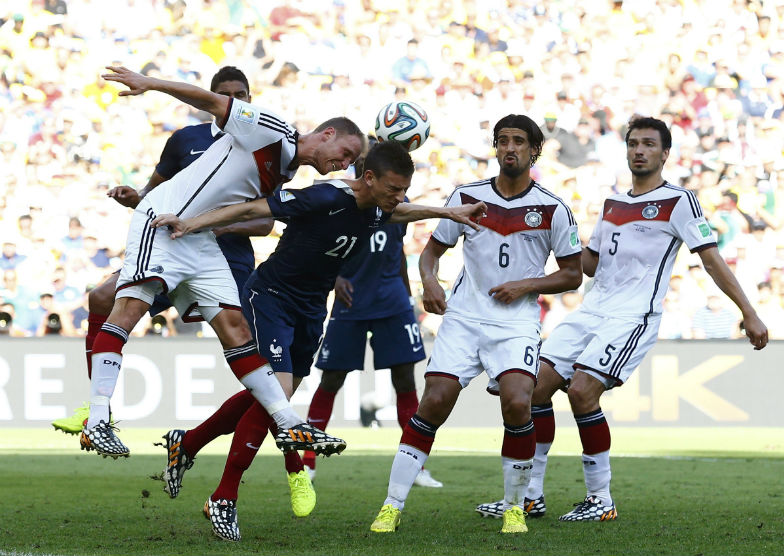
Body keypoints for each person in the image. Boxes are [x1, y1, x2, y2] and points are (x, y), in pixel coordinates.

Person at [151, 141, 487, 541]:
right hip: (271, 297)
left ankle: (187, 444)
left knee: (269, 396)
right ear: (368, 178)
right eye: (393, 189)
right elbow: (253, 209)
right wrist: (191, 223)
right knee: (277, 391)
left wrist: (447, 212)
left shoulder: (380, 205)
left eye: (402, 190)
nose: (399, 198)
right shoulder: (323, 195)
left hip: (311, 309)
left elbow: (401, 212)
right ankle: (223, 497)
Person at [474, 116, 768, 523]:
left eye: (649, 144)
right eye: (633, 144)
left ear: (665, 154)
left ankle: (601, 500)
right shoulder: (613, 203)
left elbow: (711, 259)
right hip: (591, 311)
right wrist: (567, 235)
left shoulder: (678, 201)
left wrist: (748, 312)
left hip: (633, 316)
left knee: (581, 392)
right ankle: (529, 496)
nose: (639, 150)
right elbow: (591, 265)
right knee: (533, 391)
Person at [79, 66, 364, 461]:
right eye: (345, 153)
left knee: (235, 327)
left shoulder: (286, 167)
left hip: (198, 236)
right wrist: (151, 83)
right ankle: (96, 421)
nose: (343, 163)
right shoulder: (271, 128)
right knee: (128, 310)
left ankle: (287, 421)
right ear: (327, 134)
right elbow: (212, 101)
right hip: (163, 219)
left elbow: (259, 216)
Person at [369, 114, 583, 536]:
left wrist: (527, 284)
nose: (510, 148)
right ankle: (392, 505)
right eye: (502, 140)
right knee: (434, 402)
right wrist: (428, 281)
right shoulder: (468, 196)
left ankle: (514, 508)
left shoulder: (553, 208)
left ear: (534, 150)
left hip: (516, 321)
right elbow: (431, 252)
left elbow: (573, 274)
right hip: (465, 317)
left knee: (519, 402)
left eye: (519, 141)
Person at [51, 66, 272, 434]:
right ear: (211, 100)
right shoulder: (185, 140)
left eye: (242, 94)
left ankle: (293, 461)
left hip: (225, 262)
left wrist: (213, 223)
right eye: (226, 94)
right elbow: (152, 194)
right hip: (169, 250)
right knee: (102, 297)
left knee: (259, 359)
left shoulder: (257, 147)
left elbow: (265, 223)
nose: (234, 101)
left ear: (251, 98)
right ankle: (96, 410)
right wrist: (134, 198)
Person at [301, 183, 441, 488]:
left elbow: (399, 253)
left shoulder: (400, 203)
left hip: (392, 303)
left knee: (405, 380)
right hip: (351, 301)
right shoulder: (342, 204)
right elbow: (319, 245)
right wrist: (333, 276)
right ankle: (307, 462)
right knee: (331, 380)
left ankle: (414, 466)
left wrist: (406, 297)